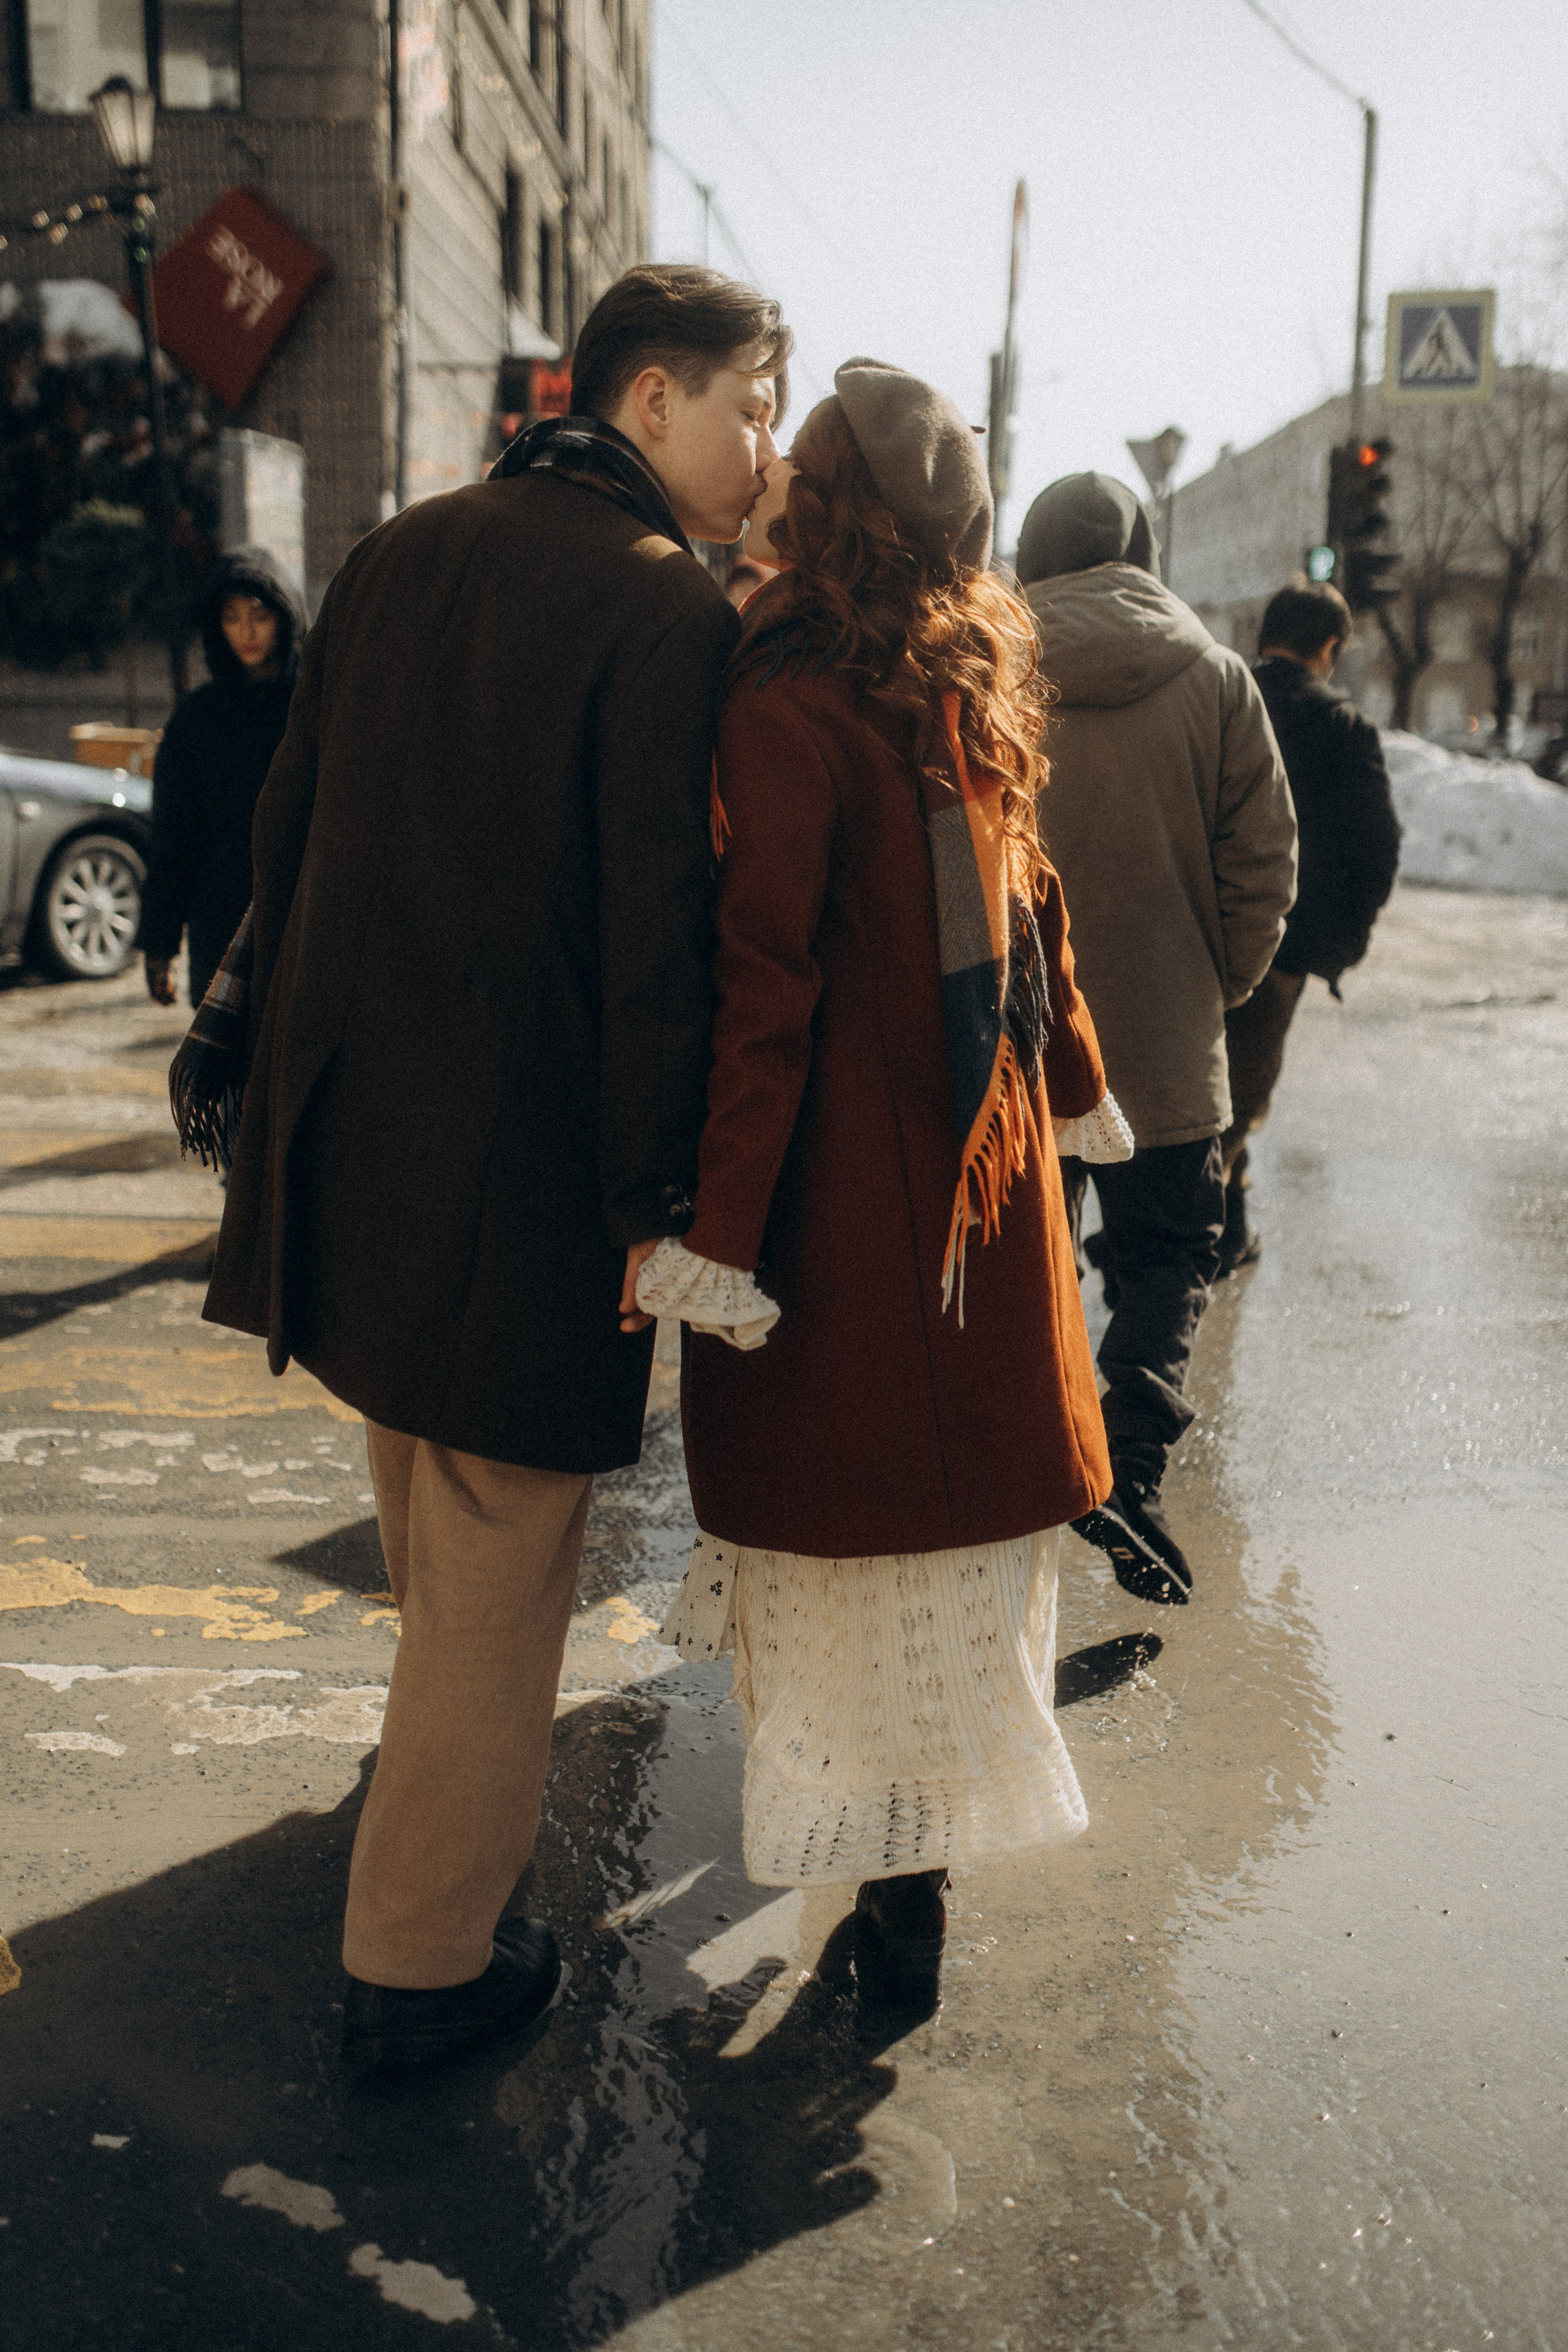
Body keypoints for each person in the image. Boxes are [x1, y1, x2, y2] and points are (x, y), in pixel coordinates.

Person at [176, 265, 791, 2072]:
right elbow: (657, 942)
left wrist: (260, 1064)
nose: (764, 448)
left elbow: (289, 831)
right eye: (751, 405)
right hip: (515, 1189)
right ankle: (422, 1961)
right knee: (495, 1583)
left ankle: (422, 1849)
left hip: (353, 1148)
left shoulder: (399, 549)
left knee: (438, 1545)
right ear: (652, 398)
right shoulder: (657, 603)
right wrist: (656, 1209)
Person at [636, 361, 1133, 2018]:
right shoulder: (966, 680)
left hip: (847, 1219)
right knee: (940, 1565)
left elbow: (762, 993)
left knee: (856, 1569)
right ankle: (910, 1899)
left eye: (800, 460)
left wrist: (718, 1237)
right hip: (984, 1206)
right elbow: (1038, 916)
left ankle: (887, 1890)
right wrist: (1076, 1088)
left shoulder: (782, 703)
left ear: (833, 510)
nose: (772, 473)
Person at [1015, 473, 1297, 1599]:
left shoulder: (995, 671)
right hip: (1169, 1036)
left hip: (1020, 1034)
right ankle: (1128, 1464)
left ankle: (1022, 1472)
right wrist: (1214, 986)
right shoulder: (1217, 680)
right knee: (1171, 1254)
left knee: (1019, 1258)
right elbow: (1264, 861)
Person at [1220, 578, 1401, 1272]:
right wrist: (1333, 946)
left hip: (1197, 930)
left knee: (1202, 1090)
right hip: (1284, 945)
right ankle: (1184, 1251)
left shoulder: (1218, 698)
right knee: (1240, 1098)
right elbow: (1376, 850)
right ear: (1328, 647)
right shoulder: (1342, 726)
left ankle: (1227, 1227)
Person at [141, 548, 305, 1012]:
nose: (247, 633)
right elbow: (174, 834)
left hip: (304, 914)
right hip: (221, 920)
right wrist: (160, 947)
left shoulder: (313, 706)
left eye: (259, 616)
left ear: (284, 617)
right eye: (232, 618)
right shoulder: (198, 718)